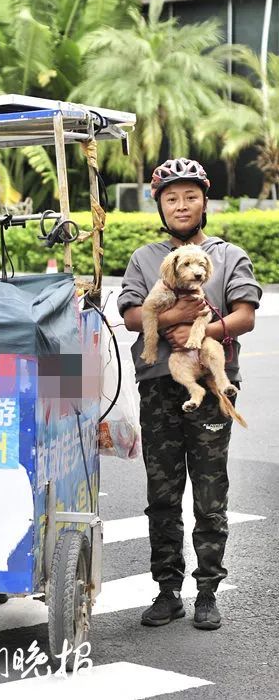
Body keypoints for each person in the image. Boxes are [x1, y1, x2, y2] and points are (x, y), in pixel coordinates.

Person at [117, 158, 262, 630]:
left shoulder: (228, 254)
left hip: (215, 381)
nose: (181, 205)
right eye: (171, 198)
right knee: (162, 494)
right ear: (159, 204)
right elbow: (134, 317)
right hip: (160, 386)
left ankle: (206, 592)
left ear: (204, 201)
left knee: (209, 492)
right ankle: (166, 591)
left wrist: (205, 333)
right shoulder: (145, 258)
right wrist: (179, 319)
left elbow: (245, 315)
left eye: (190, 196)